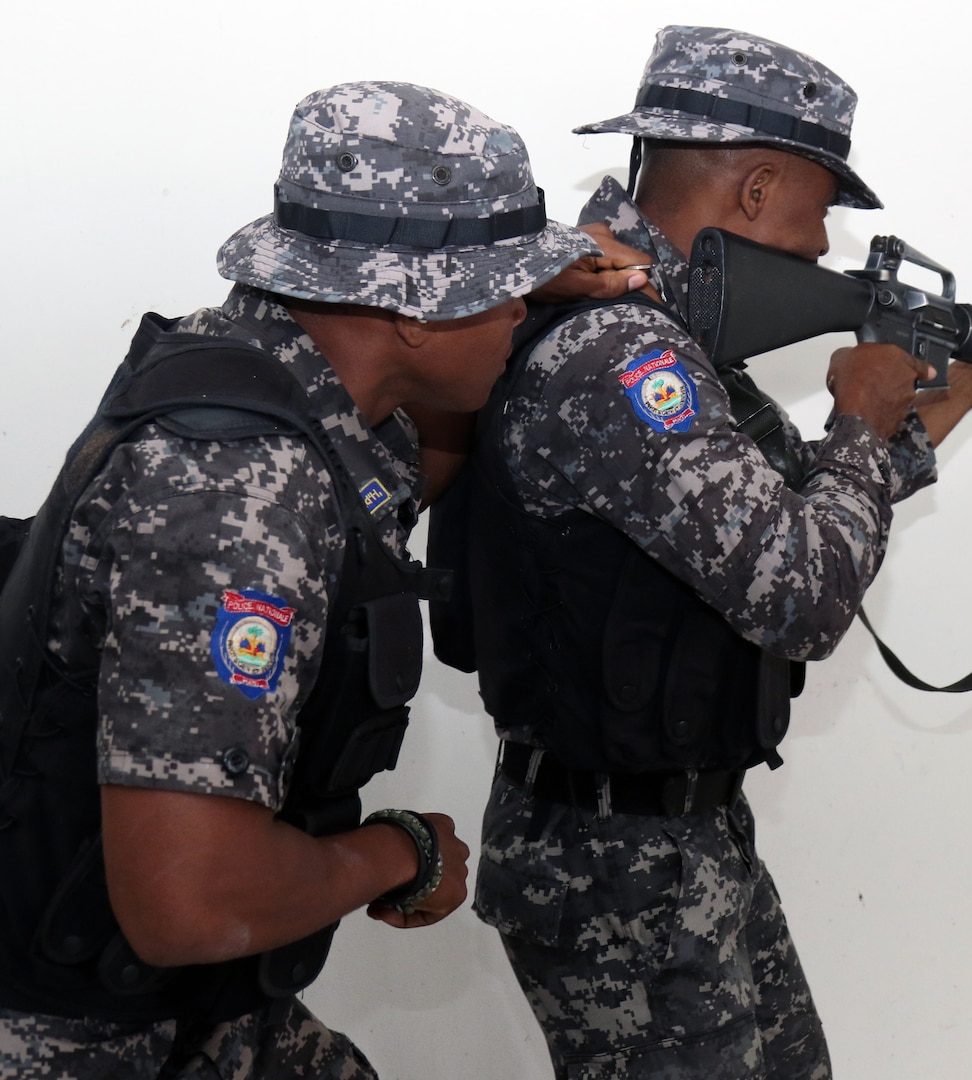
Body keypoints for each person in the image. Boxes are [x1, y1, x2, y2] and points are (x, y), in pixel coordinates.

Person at [456, 26, 972, 1078]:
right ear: (755, 188)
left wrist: (965, 386)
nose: (825, 243)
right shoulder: (624, 353)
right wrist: (863, 415)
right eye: (823, 205)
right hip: (617, 867)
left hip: (678, 841)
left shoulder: (660, 327)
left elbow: (793, 502)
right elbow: (801, 595)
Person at [0, 80, 642, 1078]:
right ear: (415, 309)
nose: (523, 308)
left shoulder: (265, 362)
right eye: (504, 285)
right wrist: (397, 854)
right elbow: (190, 897)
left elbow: (394, 485)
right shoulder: (237, 486)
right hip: (78, 1040)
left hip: (182, 1006)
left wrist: (522, 287)